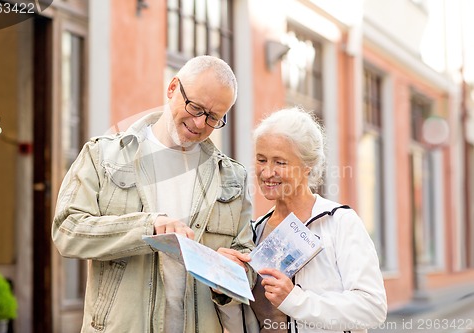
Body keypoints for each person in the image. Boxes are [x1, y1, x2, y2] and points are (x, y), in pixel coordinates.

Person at [52, 55, 255, 333]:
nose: (199, 124)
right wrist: (147, 227)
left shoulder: (232, 178)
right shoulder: (103, 155)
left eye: (213, 118)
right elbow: (67, 231)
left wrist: (232, 275)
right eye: (195, 107)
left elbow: (247, 262)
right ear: (172, 88)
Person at [246, 107, 387, 332]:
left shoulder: (340, 223)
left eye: (280, 162)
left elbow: (372, 307)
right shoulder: (254, 231)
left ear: (306, 166)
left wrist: (295, 300)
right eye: (261, 160)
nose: (266, 172)